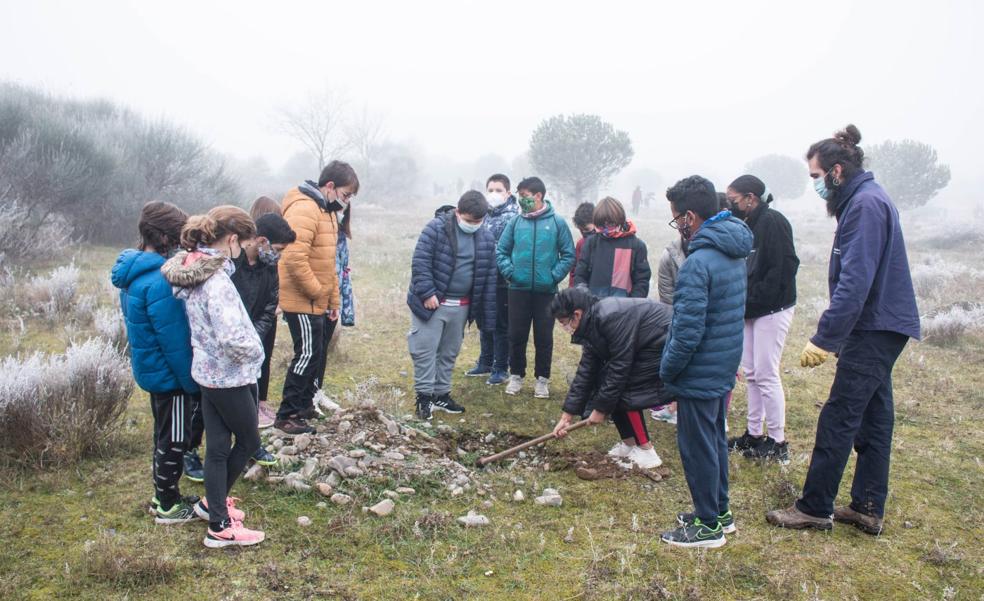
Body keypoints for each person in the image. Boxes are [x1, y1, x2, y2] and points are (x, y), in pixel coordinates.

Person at [767, 125, 920, 535]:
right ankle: (868, 506)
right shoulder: (863, 200)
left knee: (839, 415)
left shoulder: (866, 206)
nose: (814, 185)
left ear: (836, 171)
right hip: (882, 324)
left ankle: (815, 507)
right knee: (874, 416)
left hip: (874, 326)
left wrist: (825, 338)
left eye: (816, 177)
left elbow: (856, 280)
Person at [162, 205, 266, 548]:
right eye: (242, 243)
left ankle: (213, 507)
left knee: (218, 446)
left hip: (207, 372)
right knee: (249, 441)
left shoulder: (195, 269)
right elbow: (231, 337)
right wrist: (257, 353)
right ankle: (220, 526)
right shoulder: (217, 280)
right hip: (229, 376)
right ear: (233, 240)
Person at [658, 175, 752, 548]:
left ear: (691, 217)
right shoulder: (733, 251)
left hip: (699, 369)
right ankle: (719, 512)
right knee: (714, 439)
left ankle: (708, 528)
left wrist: (668, 370)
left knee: (698, 447)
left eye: (677, 217)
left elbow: (687, 330)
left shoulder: (699, 263)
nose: (678, 225)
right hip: (722, 363)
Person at [111, 201, 202, 522]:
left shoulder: (136, 274)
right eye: (178, 237)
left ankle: (164, 493)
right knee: (175, 438)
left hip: (151, 370)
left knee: (163, 435)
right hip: (170, 377)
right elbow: (175, 342)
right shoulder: (161, 282)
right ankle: (167, 504)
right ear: (165, 238)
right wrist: (192, 384)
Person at [275, 161, 359, 435]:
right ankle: (287, 414)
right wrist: (317, 292)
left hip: (319, 301)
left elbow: (329, 262)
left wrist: (333, 301)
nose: (346, 202)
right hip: (302, 300)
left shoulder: (328, 213)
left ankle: (305, 405)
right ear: (330, 186)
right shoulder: (305, 208)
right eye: (346, 195)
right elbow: (293, 258)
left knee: (317, 354)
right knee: (307, 353)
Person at [551, 288, 671, 469]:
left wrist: (600, 409)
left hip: (663, 341)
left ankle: (646, 451)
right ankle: (629, 443)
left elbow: (620, 368)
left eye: (563, 322)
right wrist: (567, 415)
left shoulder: (609, 317)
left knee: (624, 388)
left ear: (576, 314)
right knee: (606, 385)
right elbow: (587, 370)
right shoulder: (591, 323)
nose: (564, 328)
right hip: (644, 346)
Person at [725, 175, 800, 463]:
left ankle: (778, 441)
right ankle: (754, 434)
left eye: (734, 200)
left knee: (767, 374)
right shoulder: (746, 225)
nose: (731, 206)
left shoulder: (774, 222)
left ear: (750, 198)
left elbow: (783, 267)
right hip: (750, 309)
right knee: (752, 372)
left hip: (772, 309)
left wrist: (758, 299)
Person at [407, 191, 497, 420]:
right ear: (458, 213)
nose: (473, 225)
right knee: (425, 351)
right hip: (432, 304)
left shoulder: (486, 238)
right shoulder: (435, 229)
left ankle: (441, 394)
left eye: (478, 222)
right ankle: (424, 398)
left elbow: (488, 277)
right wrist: (427, 293)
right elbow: (421, 262)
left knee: (449, 353)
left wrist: (486, 316)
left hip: (462, 306)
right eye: (468, 221)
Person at [496, 177, 576, 399]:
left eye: (525, 196)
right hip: (518, 290)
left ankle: (542, 380)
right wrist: (511, 273)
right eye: (520, 196)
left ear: (538, 196)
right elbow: (501, 251)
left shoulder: (557, 223)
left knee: (544, 337)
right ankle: (516, 376)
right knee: (516, 334)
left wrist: (552, 276)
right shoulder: (515, 222)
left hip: (546, 292)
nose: (521, 200)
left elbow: (568, 254)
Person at [230, 212, 296, 439]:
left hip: (257, 332)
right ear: (261, 241)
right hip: (230, 337)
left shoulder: (269, 266)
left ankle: (251, 427)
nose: (278, 256)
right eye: (277, 249)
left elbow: (271, 304)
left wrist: (255, 335)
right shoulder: (232, 263)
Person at [466, 174, 518, 385]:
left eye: (498, 190)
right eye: (490, 190)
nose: (494, 194)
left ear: (508, 192)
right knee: (483, 321)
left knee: (500, 324)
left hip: (502, 280)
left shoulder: (514, 217)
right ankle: (485, 362)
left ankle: (500, 367)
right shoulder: (482, 214)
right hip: (482, 277)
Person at [311, 204, 356, 409]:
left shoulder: (341, 237)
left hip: (333, 299)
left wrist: (343, 303)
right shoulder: (318, 230)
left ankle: (317, 392)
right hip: (316, 297)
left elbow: (343, 269)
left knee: (323, 349)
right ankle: (308, 396)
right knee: (312, 350)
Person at [247, 197, 285, 426]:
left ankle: (261, 401)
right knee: (255, 358)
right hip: (255, 317)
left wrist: (275, 305)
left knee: (266, 356)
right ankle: (253, 404)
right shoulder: (252, 254)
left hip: (268, 314)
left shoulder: (270, 258)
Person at [574, 196, 651, 298]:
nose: (606, 230)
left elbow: (641, 281)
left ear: (620, 220)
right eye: (601, 226)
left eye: (610, 224)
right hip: (594, 307)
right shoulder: (591, 243)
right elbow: (580, 275)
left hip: (625, 309)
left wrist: (632, 304)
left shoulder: (636, 246)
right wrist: (585, 298)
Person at [568, 202, 596, 288]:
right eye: (581, 230)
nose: (583, 232)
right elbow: (574, 271)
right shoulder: (581, 243)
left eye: (587, 229)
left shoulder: (605, 242)